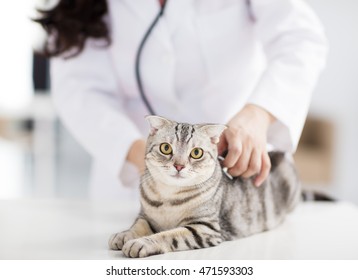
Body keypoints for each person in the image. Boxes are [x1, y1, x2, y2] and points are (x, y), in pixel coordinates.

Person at [36, 0, 328, 199]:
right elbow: (79, 90)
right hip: (130, 187)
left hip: (234, 173)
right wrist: (144, 158)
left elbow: (301, 39)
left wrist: (258, 114)